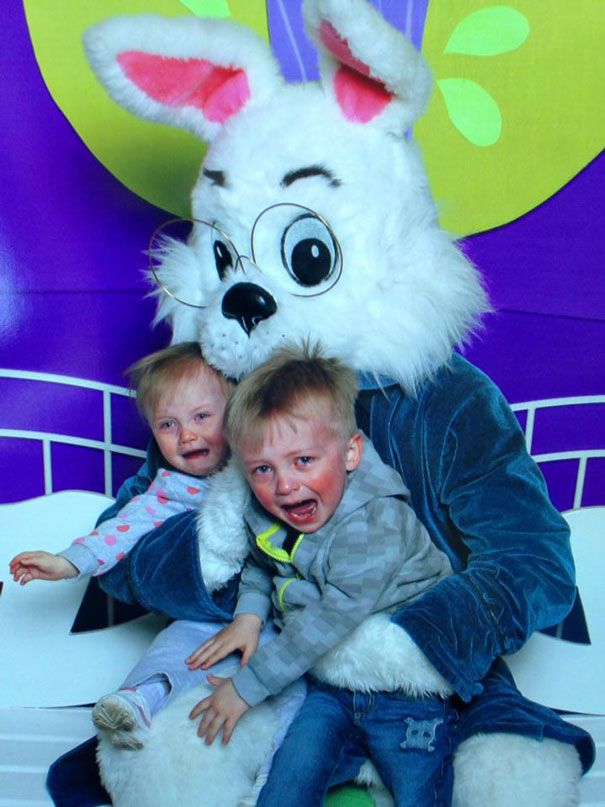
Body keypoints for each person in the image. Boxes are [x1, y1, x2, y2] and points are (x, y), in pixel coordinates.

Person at [187, 344, 457, 807]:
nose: (285, 485)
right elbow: (263, 561)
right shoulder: (270, 508)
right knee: (286, 783)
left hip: (408, 690)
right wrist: (249, 616)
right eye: (263, 469)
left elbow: (331, 617)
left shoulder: (376, 520)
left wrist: (246, 688)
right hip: (331, 687)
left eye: (303, 461)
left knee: (420, 791)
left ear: (351, 453)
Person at [10, 343, 238, 749]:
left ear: (237, 414)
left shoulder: (260, 468)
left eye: (202, 417)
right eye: (167, 425)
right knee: (175, 648)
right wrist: (68, 562)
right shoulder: (170, 490)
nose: (187, 435)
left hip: (271, 617)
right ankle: (136, 700)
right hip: (207, 619)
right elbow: (120, 531)